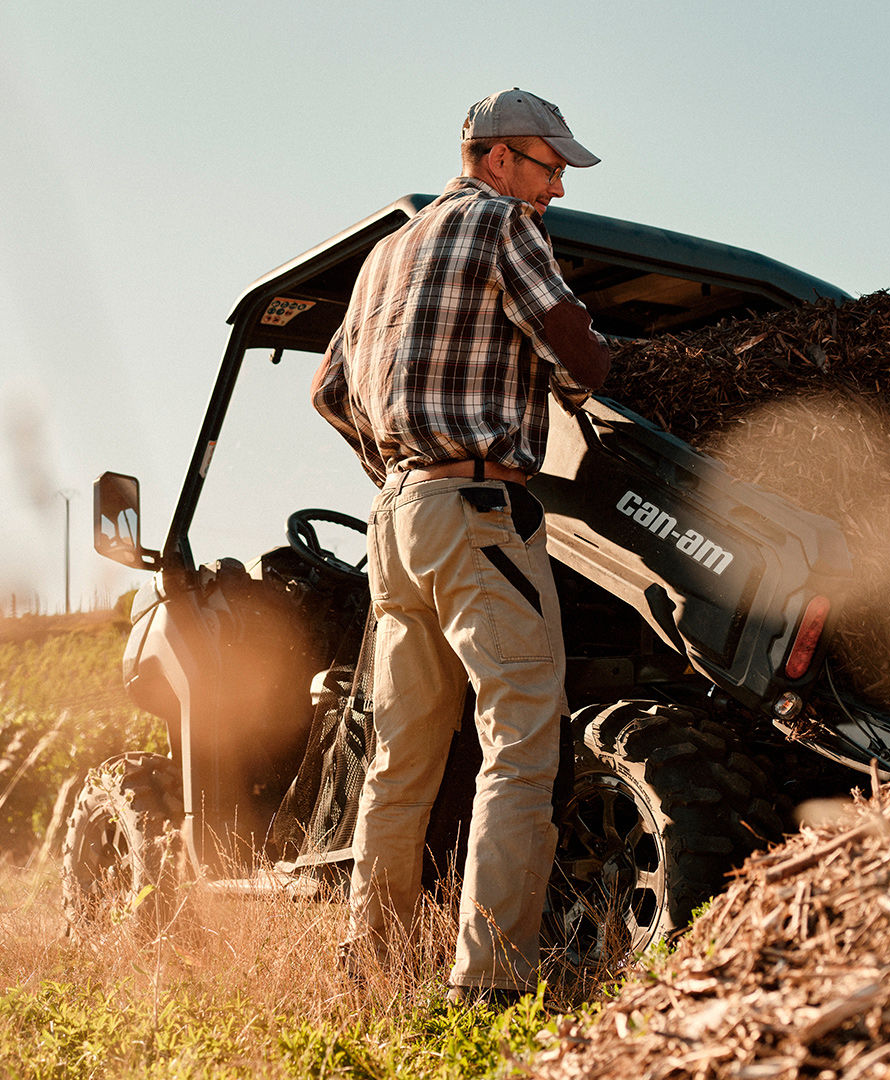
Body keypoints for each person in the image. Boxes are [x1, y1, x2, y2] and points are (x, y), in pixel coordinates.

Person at [310, 88, 612, 1003]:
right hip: (478, 509)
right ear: (492, 156)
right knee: (522, 736)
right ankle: (491, 982)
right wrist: (594, 365)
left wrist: (398, 464)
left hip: (398, 522)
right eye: (548, 166)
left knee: (401, 760)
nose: (556, 188)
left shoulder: (383, 258)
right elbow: (575, 354)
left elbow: (327, 390)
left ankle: (373, 965)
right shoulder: (502, 227)